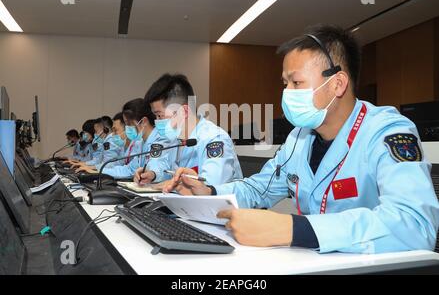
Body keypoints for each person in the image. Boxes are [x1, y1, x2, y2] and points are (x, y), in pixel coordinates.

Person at [163, 25, 439, 254]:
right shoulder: (299, 138)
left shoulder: (387, 132)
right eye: (285, 84)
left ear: (337, 84)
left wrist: (293, 229)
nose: (287, 92)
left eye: (296, 83)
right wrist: (210, 192)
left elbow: (416, 225)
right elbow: (260, 189)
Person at [134, 73, 243, 186]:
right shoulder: (175, 139)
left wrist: (172, 184)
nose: (157, 122)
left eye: (160, 115)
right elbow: (165, 166)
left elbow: (211, 185)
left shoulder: (214, 138)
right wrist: (152, 174)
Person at [102, 98, 164, 179]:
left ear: (143, 121)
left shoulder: (160, 139)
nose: (127, 128)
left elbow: (158, 170)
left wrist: (151, 175)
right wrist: (101, 171)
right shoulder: (140, 142)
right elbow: (130, 170)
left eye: (129, 123)